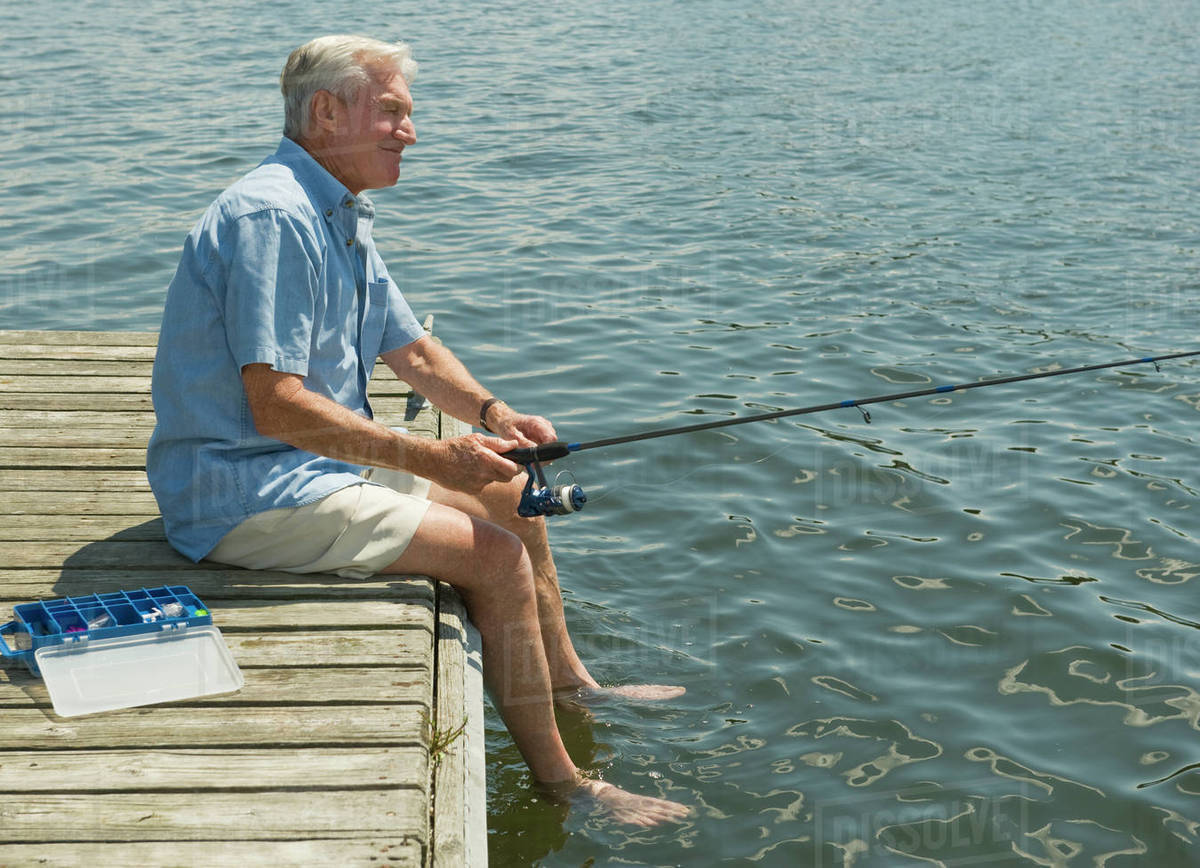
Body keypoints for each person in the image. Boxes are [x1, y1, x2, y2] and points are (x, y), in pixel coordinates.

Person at [147, 34, 688, 827]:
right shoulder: (271, 216)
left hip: (310, 469)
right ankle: (569, 786)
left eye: (409, 113)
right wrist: (432, 455)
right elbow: (277, 407)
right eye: (392, 112)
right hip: (242, 489)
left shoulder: (336, 209)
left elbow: (414, 349)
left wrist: (497, 419)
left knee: (509, 485)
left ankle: (574, 685)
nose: (410, 131)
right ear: (327, 113)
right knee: (496, 562)